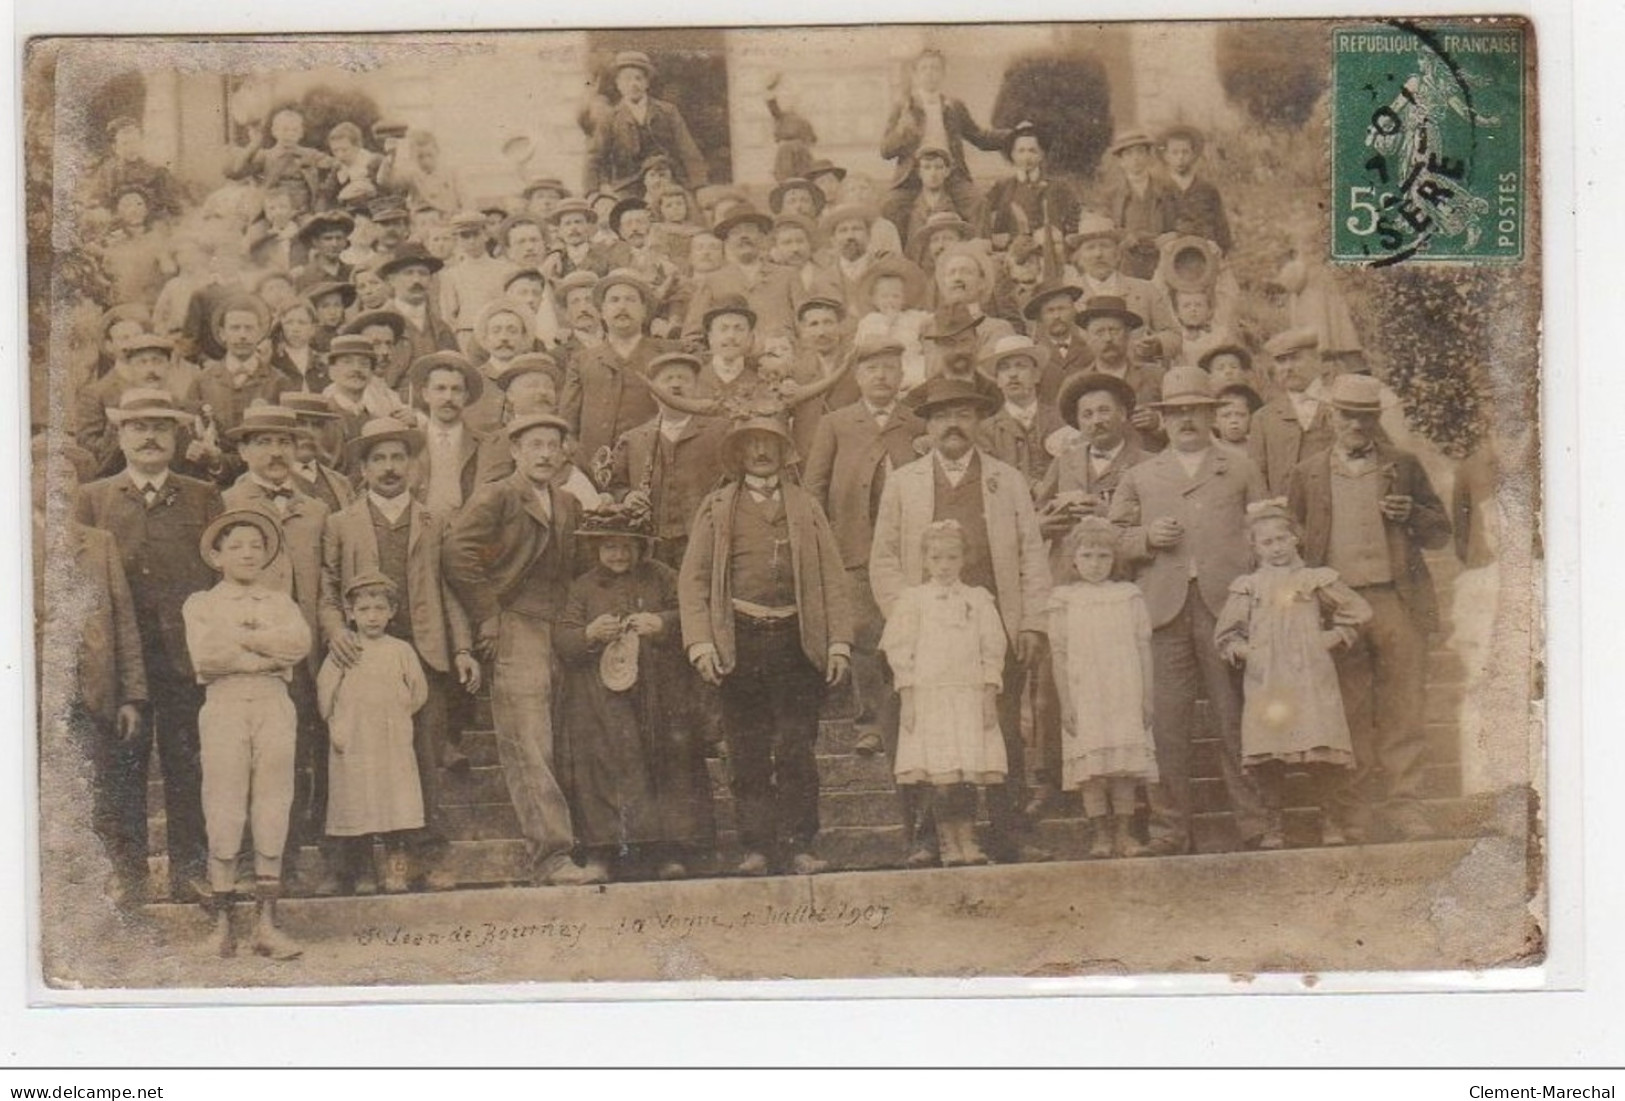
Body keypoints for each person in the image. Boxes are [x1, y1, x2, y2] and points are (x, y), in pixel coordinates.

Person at [870, 377, 1052, 864]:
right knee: (927, 735)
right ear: (928, 425)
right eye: (942, 415)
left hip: (992, 634)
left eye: (964, 414)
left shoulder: (1006, 480)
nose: (953, 424)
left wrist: (1032, 621)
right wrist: (909, 617)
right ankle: (927, 837)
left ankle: (1009, 832)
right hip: (929, 637)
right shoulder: (905, 481)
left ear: (979, 421)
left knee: (1001, 731)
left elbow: (1032, 555)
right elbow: (884, 557)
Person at [679, 415, 853, 876]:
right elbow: (693, 580)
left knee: (796, 746)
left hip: (797, 642)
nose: (760, 452)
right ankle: (756, 846)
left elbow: (834, 578)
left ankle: (799, 844)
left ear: (783, 452)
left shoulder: (806, 506)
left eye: (769, 444)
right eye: (751, 444)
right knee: (747, 748)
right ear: (738, 454)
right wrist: (701, 643)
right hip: (742, 640)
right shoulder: (717, 508)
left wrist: (837, 643)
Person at [1108, 365, 1269, 854]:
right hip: (1164, 611)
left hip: (1227, 610)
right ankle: (1169, 829)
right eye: (1176, 412)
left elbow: (1267, 532)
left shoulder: (1239, 467)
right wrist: (1144, 539)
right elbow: (1108, 540)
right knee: (1166, 725)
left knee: (1235, 718)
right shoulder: (1141, 475)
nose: (1186, 421)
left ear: (1211, 413)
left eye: (1195, 411)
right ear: (1163, 419)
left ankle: (1256, 823)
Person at [1285, 373, 1452, 843]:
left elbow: (1440, 530)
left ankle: (1405, 805)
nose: (1355, 425)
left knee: (1404, 705)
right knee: (1349, 709)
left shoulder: (1403, 465)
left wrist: (1411, 516)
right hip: (1338, 606)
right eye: (1347, 416)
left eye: (1365, 417)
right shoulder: (1308, 472)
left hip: (1395, 599)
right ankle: (1353, 812)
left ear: (1375, 419)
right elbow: (1293, 539)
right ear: (1331, 417)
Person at [75, 389, 223, 902]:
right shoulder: (94, 498)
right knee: (122, 768)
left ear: (177, 436)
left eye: (161, 426)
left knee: (189, 765)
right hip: (122, 662)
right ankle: (129, 875)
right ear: (120, 435)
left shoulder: (202, 496)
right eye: (138, 426)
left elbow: (219, 576)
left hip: (186, 659)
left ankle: (190, 871)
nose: (150, 436)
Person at [322, 416, 481, 883]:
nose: (389, 468)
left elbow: (451, 589)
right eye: (378, 459)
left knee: (423, 758)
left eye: (398, 458)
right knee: (357, 758)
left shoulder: (435, 520)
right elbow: (328, 587)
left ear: (413, 465)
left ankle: (424, 857)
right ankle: (350, 864)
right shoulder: (341, 523)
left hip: (424, 655)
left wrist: (463, 649)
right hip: (361, 657)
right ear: (363, 469)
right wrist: (335, 631)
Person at [444, 412, 598, 886]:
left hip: (560, 629)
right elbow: (457, 553)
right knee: (529, 743)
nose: (545, 454)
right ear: (515, 451)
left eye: (553, 445)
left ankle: (582, 844)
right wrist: (488, 614)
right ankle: (550, 856)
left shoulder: (569, 503)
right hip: (515, 626)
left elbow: (579, 567)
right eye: (535, 445)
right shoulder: (497, 496)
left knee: (565, 739)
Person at [556, 502, 716, 882]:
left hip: (658, 694)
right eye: (610, 546)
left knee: (665, 763)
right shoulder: (581, 588)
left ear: (642, 547)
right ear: (596, 548)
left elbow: (693, 614)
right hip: (600, 700)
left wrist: (660, 622)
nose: (619, 554)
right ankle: (602, 852)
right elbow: (563, 638)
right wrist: (589, 634)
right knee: (602, 766)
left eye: (627, 546)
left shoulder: (662, 577)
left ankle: (669, 851)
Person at [182, 508, 312, 959]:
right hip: (224, 704)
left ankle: (267, 927)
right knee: (224, 805)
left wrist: (245, 643)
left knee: (273, 803)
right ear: (217, 556)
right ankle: (223, 926)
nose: (247, 554)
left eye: (256, 546)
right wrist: (266, 650)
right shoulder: (201, 603)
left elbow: (297, 646)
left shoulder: (281, 602)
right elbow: (208, 657)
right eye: (236, 546)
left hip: (275, 703)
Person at [1215, 500, 1372, 849]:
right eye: (1267, 542)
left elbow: (1358, 610)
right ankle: (1274, 824)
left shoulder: (1314, 579)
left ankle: (1329, 819)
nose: (1277, 548)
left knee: (1319, 746)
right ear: (1254, 547)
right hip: (1268, 678)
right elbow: (1227, 634)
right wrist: (1246, 651)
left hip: (1310, 676)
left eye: (1282, 539)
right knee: (1270, 751)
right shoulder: (1248, 586)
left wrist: (1332, 636)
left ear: (1295, 539)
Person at [33, 437, 149, 907]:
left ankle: (108, 897)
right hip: (33, 695)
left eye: (69, 476)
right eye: (47, 474)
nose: (58, 484)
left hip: (94, 693)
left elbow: (123, 622)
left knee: (99, 791)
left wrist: (130, 696)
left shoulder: (98, 544)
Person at [802, 340, 923, 758]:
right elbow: (814, 487)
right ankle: (869, 722)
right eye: (872, 369)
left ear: (901, 375)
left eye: (890, 368)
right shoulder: (837, 423)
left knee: (909, 629)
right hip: (853, 546)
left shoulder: (915, 422)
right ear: (857, 377)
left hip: (910, 549)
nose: (882, 376)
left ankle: (911, 714)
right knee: (864, 634)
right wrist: (822, 541)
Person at [878, 520, 1008, 866]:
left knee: (966, 774)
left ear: (964, 559)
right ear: (924, 560)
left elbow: (992, 649)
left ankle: (968, 838)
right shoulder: (913, 600)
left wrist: (988, 695)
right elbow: (899, 650)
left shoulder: (978, 599)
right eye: (936, 558)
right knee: (940, 775)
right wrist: (908, 698)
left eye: (952, 557)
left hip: (967, 696)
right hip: (929, 697)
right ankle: (946, 841)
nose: (945, 565)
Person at [1047, 516, 1158, 859]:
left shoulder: (1128, 596)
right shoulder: (1063, 599)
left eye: (1103, 557)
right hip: (1085, 690)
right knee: (1092, 765)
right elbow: (1060, 654)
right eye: (1088, 556)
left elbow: (1142, 648)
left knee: (1123, 764)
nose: (1095, 565)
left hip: (1123, 686)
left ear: (1115, 560)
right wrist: (1066, 702)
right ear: (1074, 560)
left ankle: (1125, 833)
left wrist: (1147, 697)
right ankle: (1100, 834)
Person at [317, 573, 430, 894]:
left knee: (396, 806)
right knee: (358, 805)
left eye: (380, 608)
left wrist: (397, 714)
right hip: (354, 742)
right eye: (364, 609)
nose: (372, 616)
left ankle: (397, 872)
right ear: (350, 613)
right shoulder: (345, 650)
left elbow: (418, 692)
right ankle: (365, 872)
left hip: (390, 741)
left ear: (392, 611)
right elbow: (325, 692)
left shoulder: (400, 650)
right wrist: (338, 726)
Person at [608, 351, 730, 570]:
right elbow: (615, 484)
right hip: (652, 543)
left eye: (684, 379)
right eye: (668, 379)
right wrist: (627, 496)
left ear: (697, 388)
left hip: (704, 540)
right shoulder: (634, 439)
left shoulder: (720, 431)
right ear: (653, 392)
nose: (676, 384)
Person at [880, 49, 1004, 228]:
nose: (930, 73)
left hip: (951, 175)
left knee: (979, 204)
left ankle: (977, 252)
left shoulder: (954, 107)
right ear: (915, 74)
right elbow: (886, 151)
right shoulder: (903, 107)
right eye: (924, 68)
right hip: (912, 176)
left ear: (943, 74)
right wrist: (902, 131)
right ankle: (901, 255)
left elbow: (980, 138)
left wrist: (1013, 134)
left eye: (935, 68)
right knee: (890, 206)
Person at [562, 269, 669, 466]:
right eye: (614, 300)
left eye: (630, 299)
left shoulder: (663, 356)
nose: (622, 306)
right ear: (601, 311)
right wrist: (584, 462)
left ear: (644, 310)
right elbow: (568, 424)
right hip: (595, 469)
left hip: (650, 466)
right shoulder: (582, 360)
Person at [586, 51, 710, 198]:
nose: (633, 84)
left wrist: (699, 185)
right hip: (627, 187)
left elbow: (687, 149)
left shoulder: (667, 111)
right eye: (627, 79)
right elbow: (595, 157)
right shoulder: (610, 118)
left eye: (638, 78)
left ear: (647, 83)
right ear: (618, 84)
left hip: (667, 183)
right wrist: (593, 192)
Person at [683, 207, 799, 349]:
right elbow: (692, 335)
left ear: (762, 238)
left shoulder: (787, 276)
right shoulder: (713, 280)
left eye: (750, 230)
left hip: (782, 358)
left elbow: (806, 324)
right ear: (727, 242)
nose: (744, 236)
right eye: (736, 232)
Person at [981, 122, 1081, 272]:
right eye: (1021, 151)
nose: (1026, 157)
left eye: (1032, 151)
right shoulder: (1002, 187)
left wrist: (1062, 240)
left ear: (1041, 154)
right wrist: (998, 238)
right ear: (1012, 155)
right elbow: (982, 216)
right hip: (1013, 259)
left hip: (1051, 258)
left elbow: (1075, 220)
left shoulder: (1059, 188)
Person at [1249, 327, 1335, 495]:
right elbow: (1256, 476)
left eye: (1295, 359)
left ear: (1317, 360)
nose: (1288, 367)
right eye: (1281, 361)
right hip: (1284, 513)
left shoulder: (1340, 406)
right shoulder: (1263, 418)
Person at [979, 336, 1064, 490]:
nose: (1013, 374)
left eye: (1021, 366)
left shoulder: (1061, 420)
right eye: (1004, 368)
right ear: (998, 380)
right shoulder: (985, 432)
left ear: (1037, 375)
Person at [1101, 129, 1175, 279]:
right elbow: (1105, 226)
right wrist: (1123, 236)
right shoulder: (1111, 194)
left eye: (1140, 152)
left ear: (1148, 156)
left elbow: (1184, 220)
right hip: (1128, 259)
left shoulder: (1167, 188)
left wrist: (1173, 235)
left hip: (1162, 257)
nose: (1135, 159)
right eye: (1128, 154)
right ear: (1121, 161)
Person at [1160, 124, 1233, 255]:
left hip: (1205, 255)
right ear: (1166, 156)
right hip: (1169, 256)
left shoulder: (1208, 190)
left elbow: (1222, 230)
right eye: (1175, 152)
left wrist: (1216, 245)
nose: (1180, 158)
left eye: (1185, 152)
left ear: (1194, 154)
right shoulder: (1159, 189)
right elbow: (1153, 228)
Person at [1023, 281, 1094, 404]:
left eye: (1062, 309)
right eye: (1050, 311)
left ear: (1073, 312)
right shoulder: (1033, 356)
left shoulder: (1090, 350)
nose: (1056, 316)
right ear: (1040, 317)